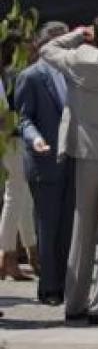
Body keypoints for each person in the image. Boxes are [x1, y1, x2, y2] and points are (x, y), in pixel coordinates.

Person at [40, 14, 98, 325]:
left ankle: (75, 302)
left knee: (82, 230)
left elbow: (47, 49)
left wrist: (78, 34)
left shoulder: (77, 58)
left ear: (96, 36)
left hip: (85, 152)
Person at [15, 22, 74, 305]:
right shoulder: (32, 76)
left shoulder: (75, 73)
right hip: (45, 161)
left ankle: (63, 284)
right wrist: (35, 139)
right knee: (48, 227)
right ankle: (49, 288)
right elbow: (24, 118)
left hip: (73, 160)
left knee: (67, 228)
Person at [0, 34, 38, 280]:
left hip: (12, 140)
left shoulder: (9, 75)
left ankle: (30, 253)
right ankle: (7, 256)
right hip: (12, 140)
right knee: (15, 196)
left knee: (21, 196)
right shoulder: (13, 76)